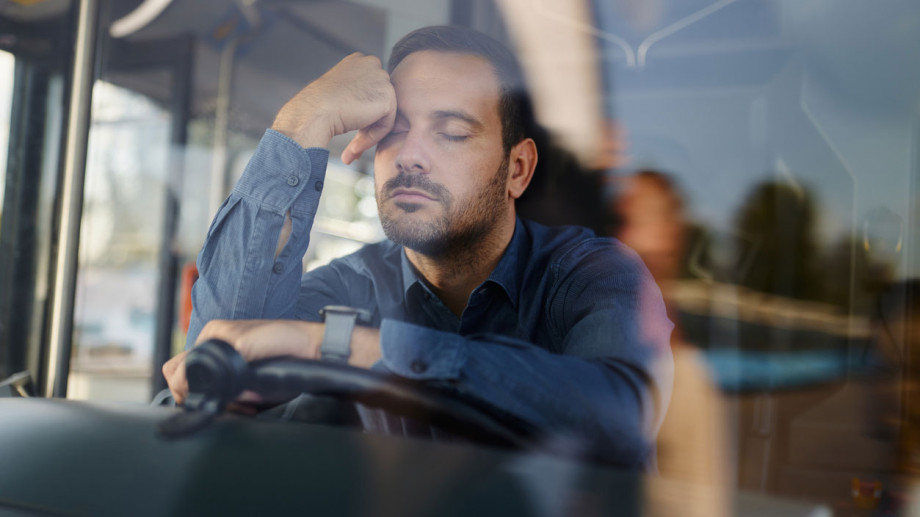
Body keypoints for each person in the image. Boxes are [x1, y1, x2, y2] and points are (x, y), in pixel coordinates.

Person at [163, 25, 672, 468]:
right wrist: (304, 118)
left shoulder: (590, 274)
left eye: (451, 133)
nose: (410, 155)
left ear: (517, 170)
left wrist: (348, 348)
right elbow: (212, 380)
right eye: (394, 131)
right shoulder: (349, 285)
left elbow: (619, 419)